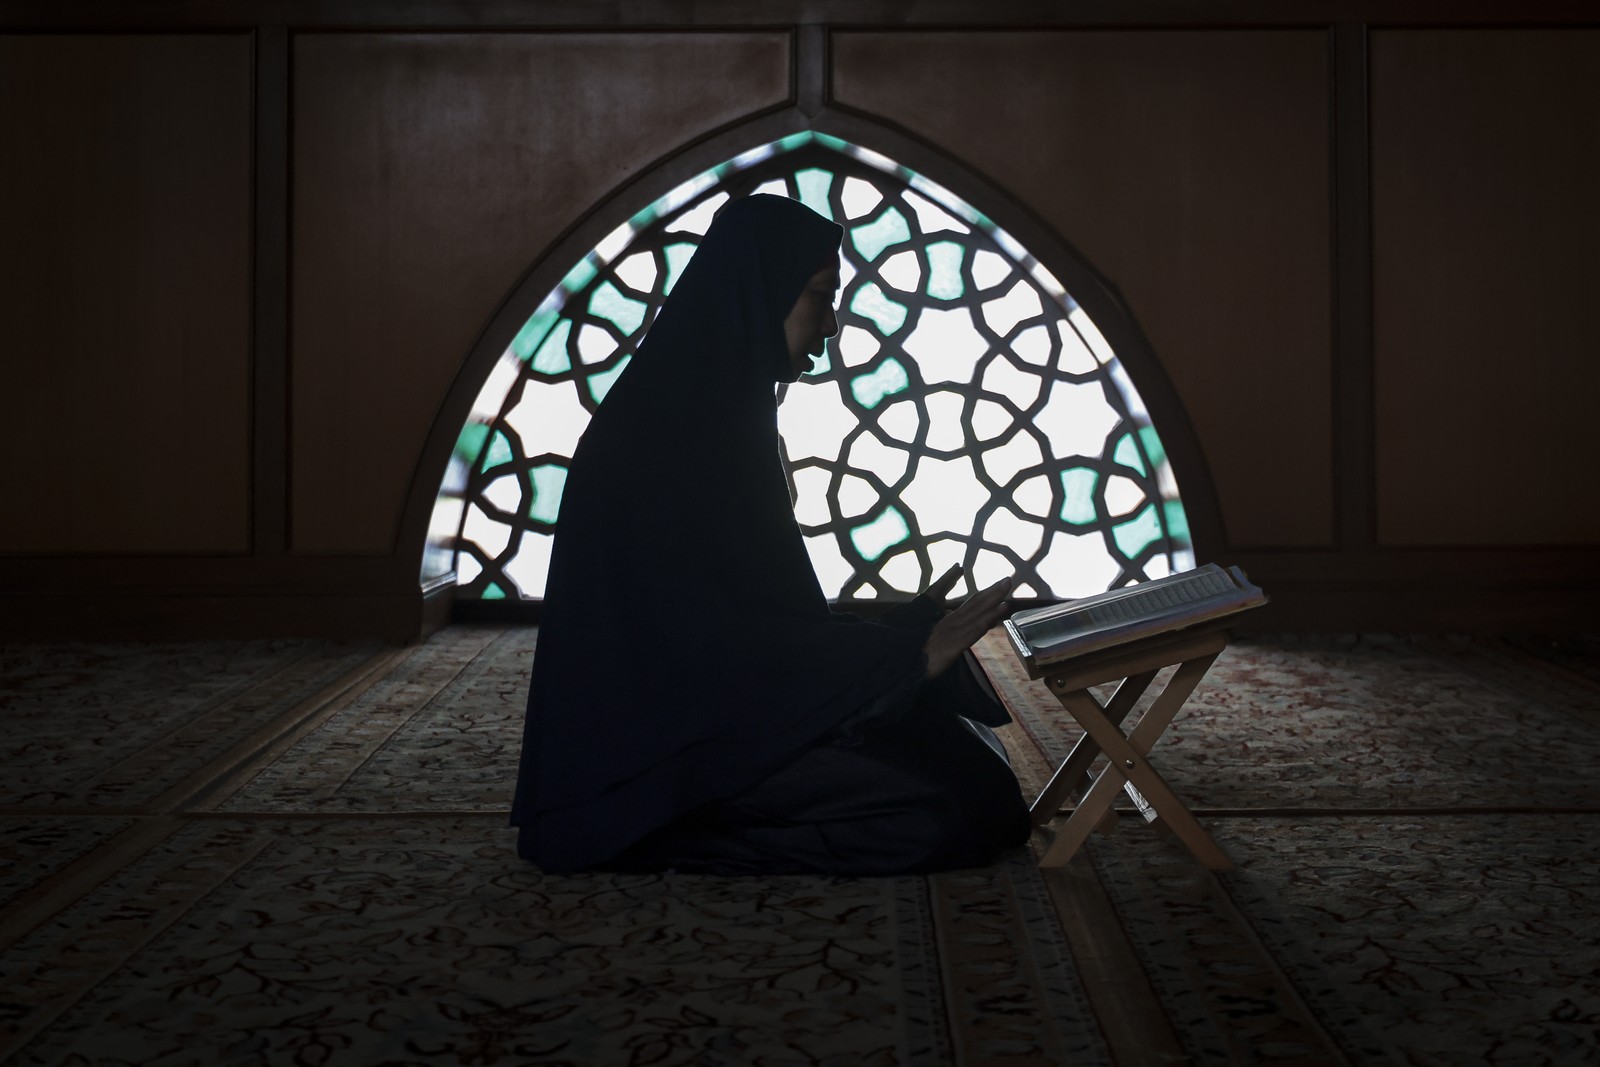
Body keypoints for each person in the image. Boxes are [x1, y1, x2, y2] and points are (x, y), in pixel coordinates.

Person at [510, 194, 1031, 875]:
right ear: (761, 293)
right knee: (939, 813)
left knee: (971, 767)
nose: (832, 323)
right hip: (656, 746)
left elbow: (749, 621)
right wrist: (902, 659)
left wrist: (902, 635)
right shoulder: (670, 434)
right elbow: (710, 659)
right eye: (820, 296)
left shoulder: (718, 405)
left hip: (715, 708)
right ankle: (656, 831)